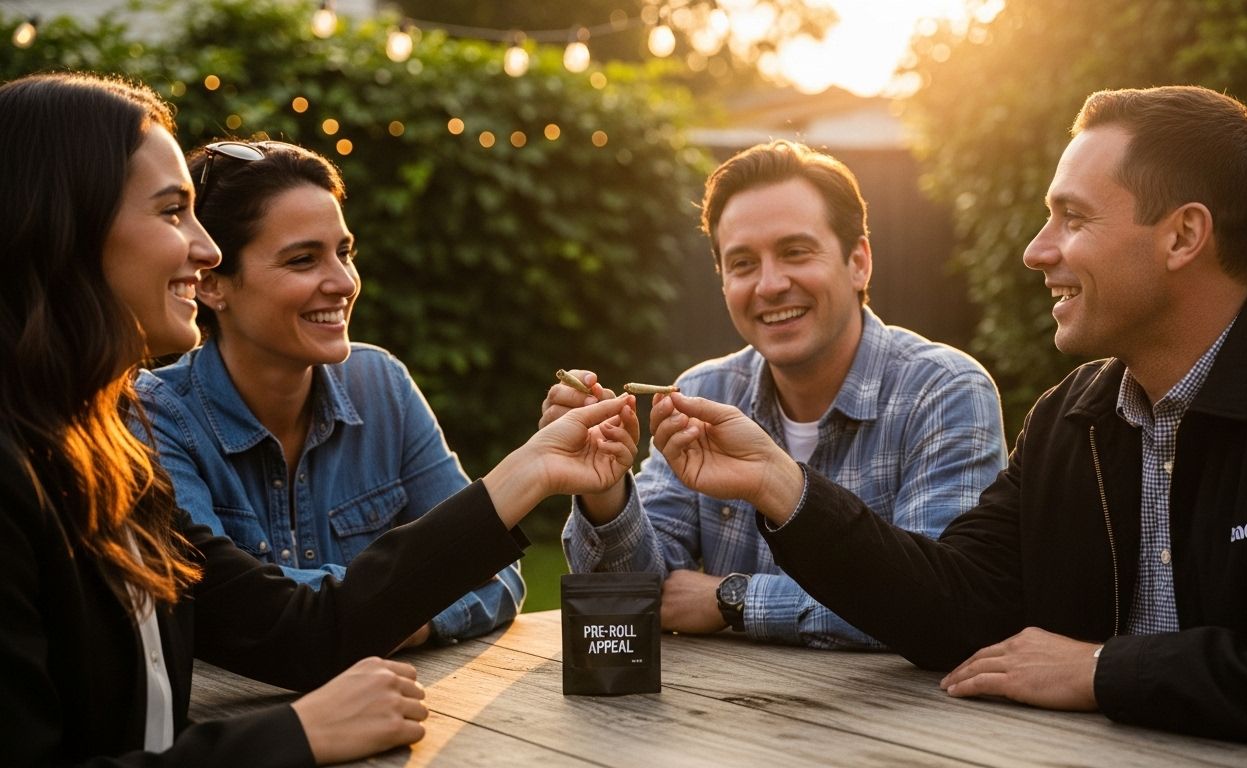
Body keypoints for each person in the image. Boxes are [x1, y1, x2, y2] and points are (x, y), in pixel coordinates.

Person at [644, 86, 1247, 756]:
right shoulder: (1070, 418)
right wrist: (784, 487)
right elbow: (953, 604)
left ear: (1183, 236)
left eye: (1071, 218)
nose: (1036, 251)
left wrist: (1106, 670)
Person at [0, 71, 639, 766]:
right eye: (171, 212)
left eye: (343, 252)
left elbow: (306, 631)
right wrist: (294, 735)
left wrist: (533, 468)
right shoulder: (45, 464)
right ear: (61, 225)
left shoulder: (109, 454)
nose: (203, 246)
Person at [546, 140, 1006, 648]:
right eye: (743, 263)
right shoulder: (702, 391)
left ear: (859, 262)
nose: (769, 284)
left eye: (795, 252)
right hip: (723, 718)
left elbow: (941, 607)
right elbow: (632, 600)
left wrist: (733, 599)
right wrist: (604, 491)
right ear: (723, 282)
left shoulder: (942, 392)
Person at [135, 140, 521, 649]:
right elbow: (220, 608)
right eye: (302, 260)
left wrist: (386, 620)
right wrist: (391, 605)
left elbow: (497, 573)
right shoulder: (157, 413)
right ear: (212, 284)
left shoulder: (381, 384)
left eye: (344, 252)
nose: (343, 282)